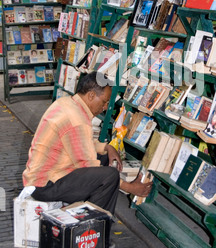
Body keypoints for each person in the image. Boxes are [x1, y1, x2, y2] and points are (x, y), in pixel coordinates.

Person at [22, 72, 153, 216]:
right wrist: (129, 187)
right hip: (45, 186)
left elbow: (82, 144)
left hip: (44, 176)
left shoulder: (66, 103)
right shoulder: (77, 119)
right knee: (110, 177)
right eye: (104, 102)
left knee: (103, 160)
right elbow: (86, 164)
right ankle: (95, 223)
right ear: (91, 95)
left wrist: (106, 147)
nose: (105, 107)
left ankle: (91, 215)